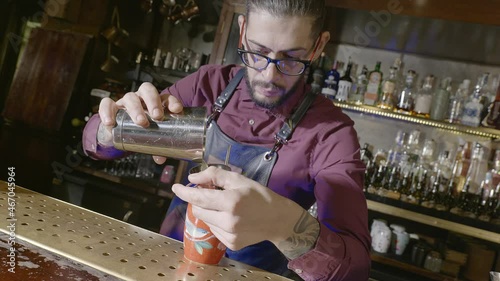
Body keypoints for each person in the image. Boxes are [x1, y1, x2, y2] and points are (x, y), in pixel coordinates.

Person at [83, 0, 370, 280]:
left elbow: (355, 268)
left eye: (291, 58)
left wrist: (282, 224)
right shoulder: (208, 85)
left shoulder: (331, 133)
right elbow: (94, 144)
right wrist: (114, 123)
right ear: (243, 30)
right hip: (166, 268)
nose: (269, 75)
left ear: (318, 46)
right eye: (258, 52)